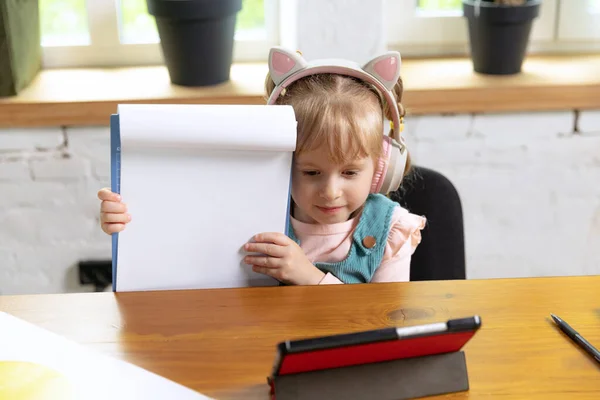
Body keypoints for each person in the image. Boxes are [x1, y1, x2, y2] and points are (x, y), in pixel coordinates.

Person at [98, 47, 426, 286]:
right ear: (281, 162)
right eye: (311, 172)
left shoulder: (392, 232)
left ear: (382, 166)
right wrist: (130, 222)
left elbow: (380, 321)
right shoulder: (246, 211)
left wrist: (309, 277)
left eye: (350, 172)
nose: (330, 191)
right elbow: (177, 239)